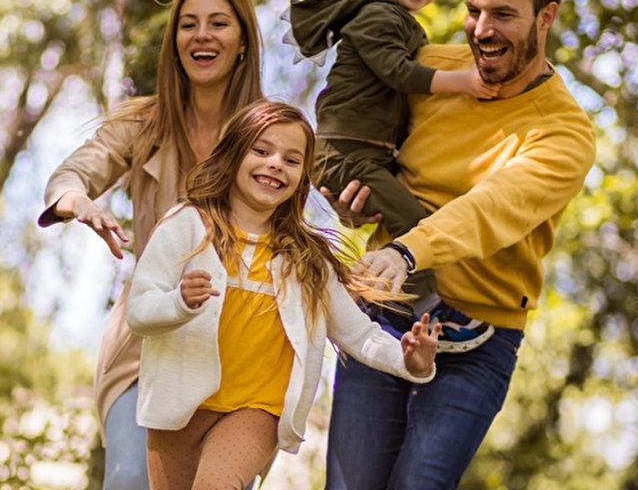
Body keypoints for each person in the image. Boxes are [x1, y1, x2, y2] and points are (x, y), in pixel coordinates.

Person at [322, 0, 599, 489]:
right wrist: (347, 194)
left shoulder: (564, 133)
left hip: (478, 338)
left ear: (546, 18)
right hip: (384, 308)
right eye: (473, 11)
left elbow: (492, 208)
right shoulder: (428, 72)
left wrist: (408, 250)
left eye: (503, 15)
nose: (481, 29)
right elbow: (357, 127)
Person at [126, 100, 440, 490]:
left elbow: (359, 334)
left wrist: (412, 362)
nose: (276, 163)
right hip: (178, 407)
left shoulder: (307, 260)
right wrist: (179, 303)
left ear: (301, 178)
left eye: (292, 160)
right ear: (234, 153)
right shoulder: (186, 226)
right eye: (262, 150)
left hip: (257, 410)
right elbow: (139, 311)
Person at [37, 0, 268, 489]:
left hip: (235, 352)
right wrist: (74, 199)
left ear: (243, 42)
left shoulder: (269, 134)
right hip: (147, 340)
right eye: (188, 25)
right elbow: (75, 171)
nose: (201, 36)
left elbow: (316, 203)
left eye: (217, 24)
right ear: (175, 43)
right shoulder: (143, 124)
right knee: (129, 477)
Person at [288, 0, 496, 265]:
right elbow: (397, 72)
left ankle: (393, 300)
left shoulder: (399, 21)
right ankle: (417, 305)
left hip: (366, 154)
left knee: (413, 219)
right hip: (345, 153)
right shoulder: (377, 17)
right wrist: (463, 81)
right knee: (416, 230)